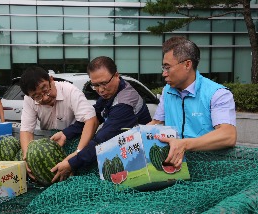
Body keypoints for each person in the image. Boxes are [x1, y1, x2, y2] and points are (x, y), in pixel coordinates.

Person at [51, 56, 152, 182]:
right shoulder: (111, 93)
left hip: (141, 158)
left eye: (104, 83)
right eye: (95, 85)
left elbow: (102, 141)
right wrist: (66, 133)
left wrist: (72, 163)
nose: (101, 90)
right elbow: (93, 116)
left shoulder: (124, 103)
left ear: (116, 75)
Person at [148, 36, 237, 168]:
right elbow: (156, 123)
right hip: (176, 169)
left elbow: (228, 135)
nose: (164, 74)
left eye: (167, 67)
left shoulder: (217, 94)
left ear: (187, 64)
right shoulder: (167, 91)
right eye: (163, 68)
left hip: (209, 172)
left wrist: (185, 144)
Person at [19, 66, 99, 180]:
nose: (45, 98)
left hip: (75, 141)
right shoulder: (29, 100)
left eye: (45, 90)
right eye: (37, 97)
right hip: (50, 145)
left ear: (51, 80)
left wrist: (78, 152)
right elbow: (26, 130)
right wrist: (27, 157)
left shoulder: (70, 90)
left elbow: (91, 120)